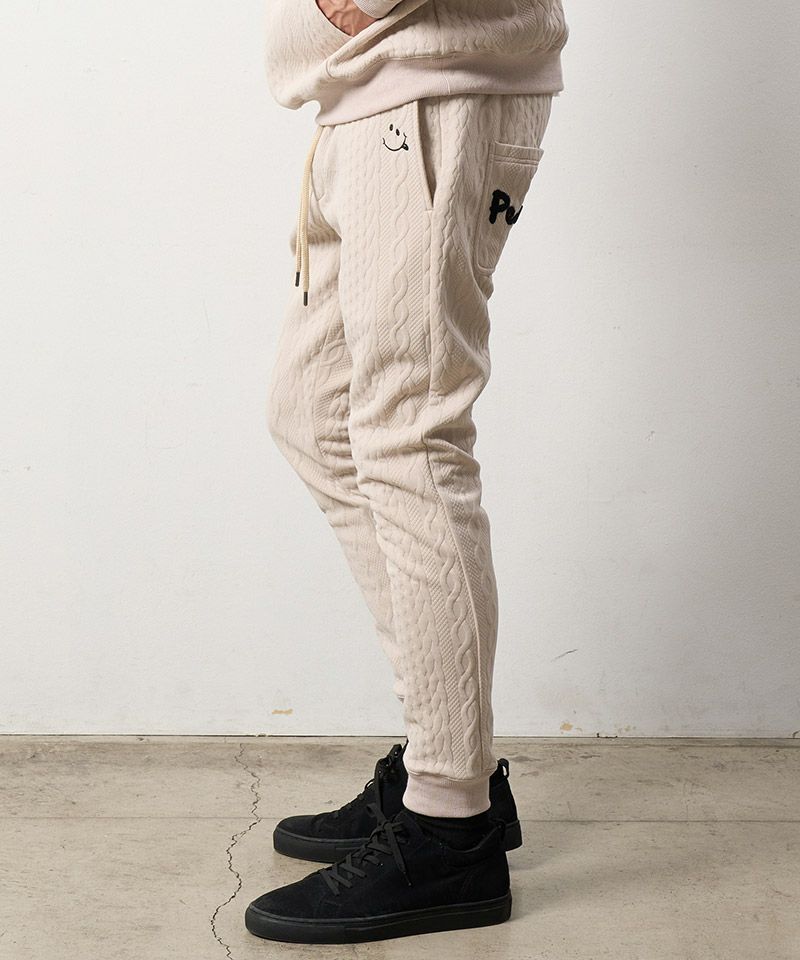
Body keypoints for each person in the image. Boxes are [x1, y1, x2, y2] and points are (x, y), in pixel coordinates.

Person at [245, 0, 569, 944]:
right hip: (373, 94)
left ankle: (450, 817)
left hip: (430, 90)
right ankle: (446, 745)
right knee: (315, 417)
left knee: (408, 435)